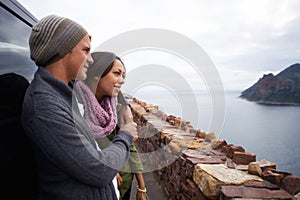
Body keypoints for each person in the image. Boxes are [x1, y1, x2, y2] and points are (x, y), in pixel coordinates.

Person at [21, 15, 137, 200]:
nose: (91, 60)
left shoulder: (64, 94)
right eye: (86, 50)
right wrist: (125, 134)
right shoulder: (45, 106)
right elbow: (98, 170)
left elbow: (85, 153)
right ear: (62, 49)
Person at [75, 52, 147, 200]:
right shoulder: (77, 107)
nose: (122, 80)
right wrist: (111, 170)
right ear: (97, 75)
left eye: (123, 76)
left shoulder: (117, 108)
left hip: (125, 181)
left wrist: (142, 187)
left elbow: (130, 147)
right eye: (116, 73)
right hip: (102, 181)